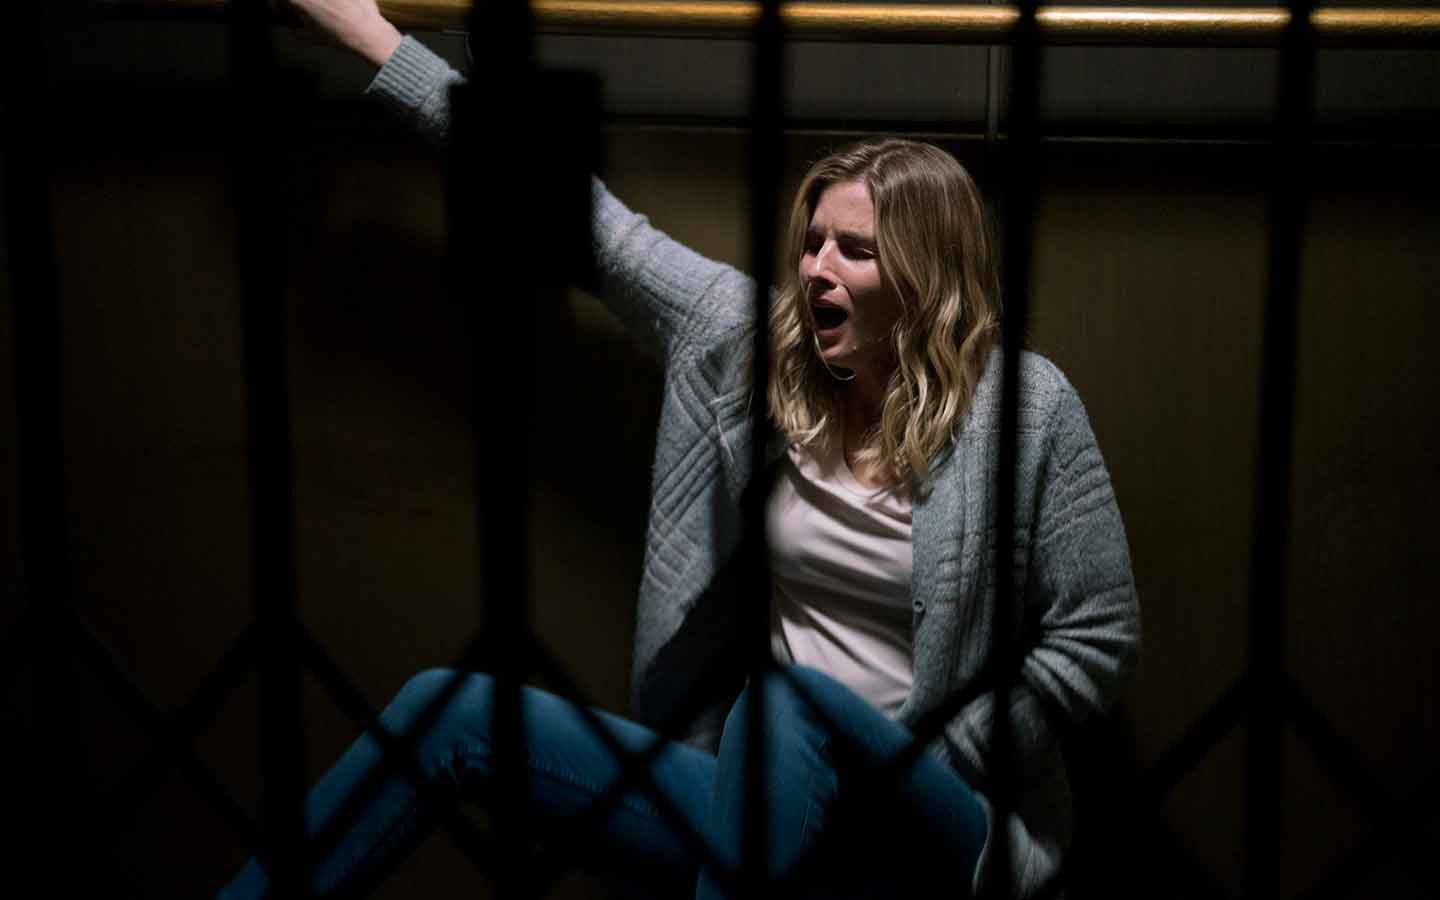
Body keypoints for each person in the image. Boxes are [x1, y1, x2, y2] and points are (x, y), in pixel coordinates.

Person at [218, 3, 1140, 898]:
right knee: (448, 711)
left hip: (935, 822)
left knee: (788, 702)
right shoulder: (753, 347)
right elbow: (587, 223)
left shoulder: (1025, 408)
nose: (816, 268)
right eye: (812, 243)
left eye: (853, 251)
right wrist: (378, 41)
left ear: (924, 281)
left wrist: (945, 750)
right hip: (773, 800)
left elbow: (1098, 634)